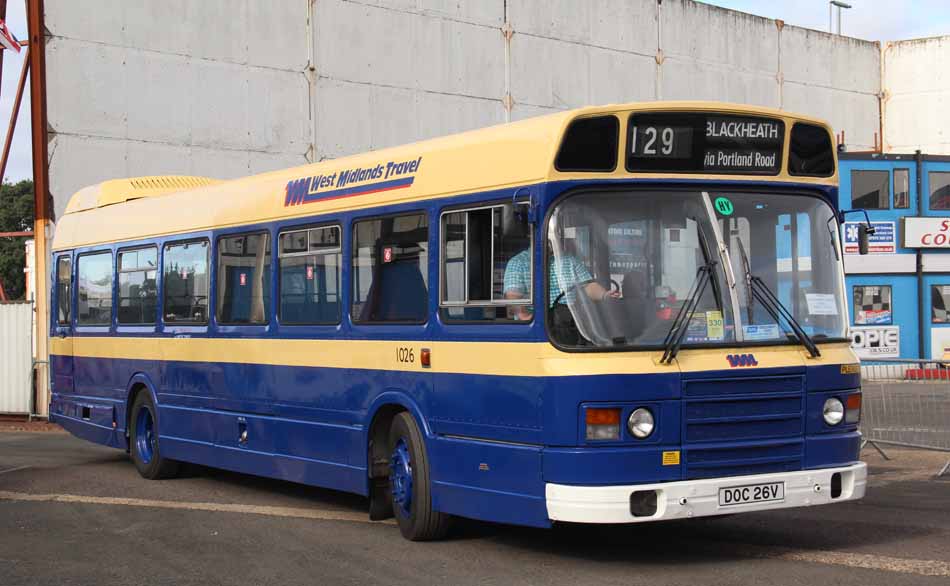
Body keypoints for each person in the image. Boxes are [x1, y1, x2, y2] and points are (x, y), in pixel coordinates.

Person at [503, 248, 619, 320]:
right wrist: (527, 318)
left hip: (570, 320)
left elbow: (589, 286)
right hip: (540, 324)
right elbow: (513, 298)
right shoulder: (518, 262)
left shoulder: (569, 260)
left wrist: (604, 295)